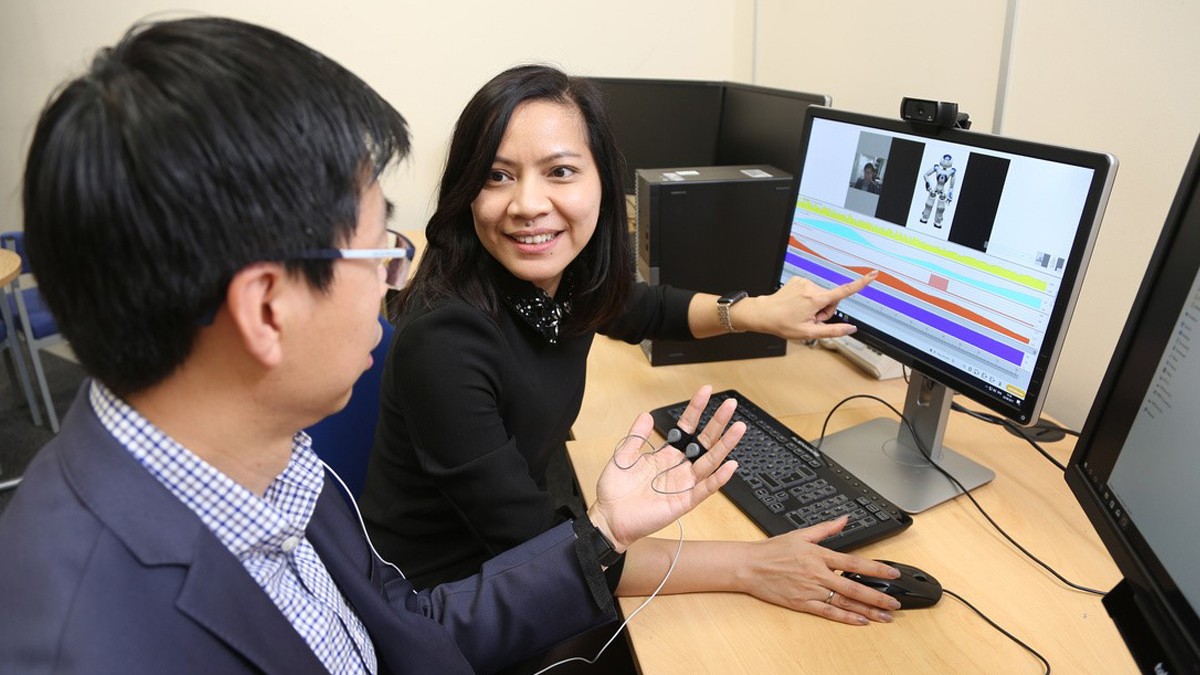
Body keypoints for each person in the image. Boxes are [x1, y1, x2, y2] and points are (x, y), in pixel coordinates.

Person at [0, 19, 749, 674]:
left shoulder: (278, 461)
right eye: (381, 255)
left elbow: (395, 631)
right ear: (266, 307)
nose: (398, 285)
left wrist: (606, 530)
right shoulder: (89, 644)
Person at [360, 64, 903, 630]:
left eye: (560, 171)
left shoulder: (554, 280)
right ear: (466, 190)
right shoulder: (446, 342)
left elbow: (643, 307)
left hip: (520, 545)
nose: (527, 204)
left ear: (603, 181)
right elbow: (547, 556)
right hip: (452, 604)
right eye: (497, 176)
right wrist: (752, 564)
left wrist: (755, 312)